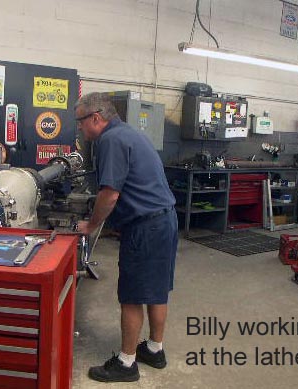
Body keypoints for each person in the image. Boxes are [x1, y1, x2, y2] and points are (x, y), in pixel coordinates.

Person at [75, 92, 178, 383]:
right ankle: (155, 350)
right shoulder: (129, 132)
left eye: (81, 122)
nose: (80, 129)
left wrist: (92, 225)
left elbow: (109, 194)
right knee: (157, 289)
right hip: (164, 220)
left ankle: (126, 362)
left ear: (96, 117)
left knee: (131, 296)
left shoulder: (110, 140)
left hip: (145, 228)